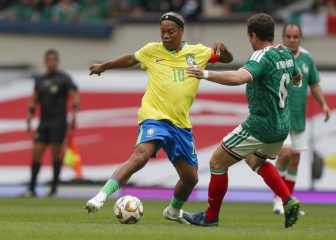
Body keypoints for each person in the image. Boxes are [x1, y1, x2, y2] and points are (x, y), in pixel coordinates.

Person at [83, 12, 233, 224]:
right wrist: (104, 66)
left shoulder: (197, 52)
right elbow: (130, 59)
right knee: (141, 155)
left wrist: (225, 52)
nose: (165, 36)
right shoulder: (151, 51)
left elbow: (226, 59)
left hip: (180, 124)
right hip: (154, 117)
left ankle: (173, 211)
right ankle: (101, 196)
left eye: (170, 31)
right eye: (162, 31)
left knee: (190, 178)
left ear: (181, 32)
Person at [182, 13, 302, 228]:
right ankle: (288, 199)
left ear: (253, 36)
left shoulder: (260, 56)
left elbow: (240, 77)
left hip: (261, 125)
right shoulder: (285, 52)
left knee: (217, 162)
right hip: (282, 125)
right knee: (255, 160)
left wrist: (205, 74)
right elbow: (297, 76)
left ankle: (210, 216)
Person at [265, 23, 330, 215]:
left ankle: (288, 204)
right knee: (284, 155)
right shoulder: (275, 56)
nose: (292, 40)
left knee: (295, 159)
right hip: (279, 116)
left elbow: (314, 84)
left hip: (298, 119)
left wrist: (324, 104)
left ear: (300, 38)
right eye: (289, 36)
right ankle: (278, 199)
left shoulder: (307, 58)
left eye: (296, 36)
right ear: (283, 38)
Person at [24, 49, 79, 197]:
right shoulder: (40, 80)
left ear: (57, 61)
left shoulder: (64, 79)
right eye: (49, 60)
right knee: (36, 153)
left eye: (54, 60)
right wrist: (29, 115)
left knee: (56, 155)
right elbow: (33, 99)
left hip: (58, 122)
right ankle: (31, 188)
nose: (51, 63)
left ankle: (54, 189)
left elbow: (74, 97)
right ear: (45, 61)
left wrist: (74, 116)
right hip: (44, 122)